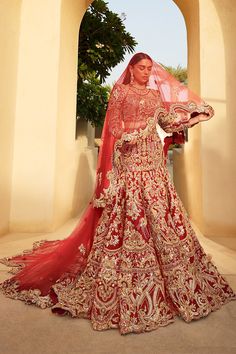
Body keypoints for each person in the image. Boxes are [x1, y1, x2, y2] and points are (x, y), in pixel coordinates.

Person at [0, 52, 236, 335]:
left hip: (153, 163)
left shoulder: (154, 96)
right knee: (129, 215)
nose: (147, 72)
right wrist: (133, 134)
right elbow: (113, 126)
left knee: (163, 216)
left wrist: (194, 119)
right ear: (132, 69)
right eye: (142, 68)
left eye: (150, 68)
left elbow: (166, 124)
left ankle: (178, 282)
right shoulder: (120, 91)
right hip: (130, 161)